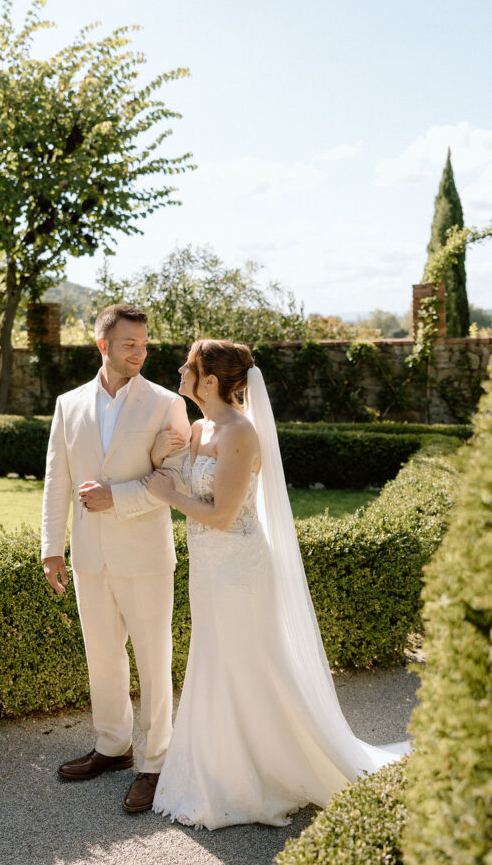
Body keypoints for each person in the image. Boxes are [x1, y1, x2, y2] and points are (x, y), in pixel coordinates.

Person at [143, 339, 402, 830]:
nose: (179, 369)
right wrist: (164, 461)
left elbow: (221, 515)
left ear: (211, 381)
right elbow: (169, 472)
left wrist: (170, 496)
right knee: (214, 660)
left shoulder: (241, 434)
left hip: (239, 569)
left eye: (188, 366)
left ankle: (262, 773)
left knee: (247, 663)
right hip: (207, 569)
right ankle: (213, 768)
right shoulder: (199, 428)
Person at [41, 303, 191, 814]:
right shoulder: (68, 404)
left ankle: (155, 762)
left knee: (153, 661)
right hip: (87, 556)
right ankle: (113, 746)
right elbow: (57, 478)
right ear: (102, 345)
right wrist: (51, 548)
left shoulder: (168, 404)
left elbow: (175, 481)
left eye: (145, 344)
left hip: (146, 555)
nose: (141, 353)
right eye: (131, 344)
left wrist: (117, 497)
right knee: (102, 656)